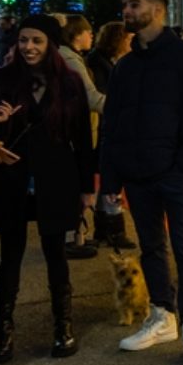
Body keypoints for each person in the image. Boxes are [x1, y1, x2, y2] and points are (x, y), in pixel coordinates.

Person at [100, 0, 183, 365]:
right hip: (137, 173)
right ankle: (162, 316)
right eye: (125, 5)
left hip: (176, 171)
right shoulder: (125, 66)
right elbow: (112, 124)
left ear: (157, 10)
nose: (126, 11)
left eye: (133, 4)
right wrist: (111, 179)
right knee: (152, 247)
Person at [0, 14, 93, 363]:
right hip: (10, 177)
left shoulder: (70, 82)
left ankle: (63, 327)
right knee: (11, 255)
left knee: (55, 253)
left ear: (51, 44)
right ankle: (2, 333)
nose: (28, 47)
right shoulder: (0, 80)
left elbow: (82, 139)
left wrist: (87, 187)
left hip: (57, 178)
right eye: (23, 40)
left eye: (37, 41)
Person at [83, 21, 138, 251]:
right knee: (111, 177)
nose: (132, 42)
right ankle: (114, 229)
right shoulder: (101, 64)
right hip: (108, 127)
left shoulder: (105, 61)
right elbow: (105, 95)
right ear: (118, 40)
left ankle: (106, 228)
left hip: (109, 126)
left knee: (108, 178)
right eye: (128, 39)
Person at [56, 16, 107, 259]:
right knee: (78, 186)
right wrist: (127, 108)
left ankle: (77, 236)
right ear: (77, 35)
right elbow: (91, 98)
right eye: (88, 32)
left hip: (77, 130)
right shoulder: (71, 61)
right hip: (77, 132)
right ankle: (73, 237)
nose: (92, 36)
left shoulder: (72, 58)